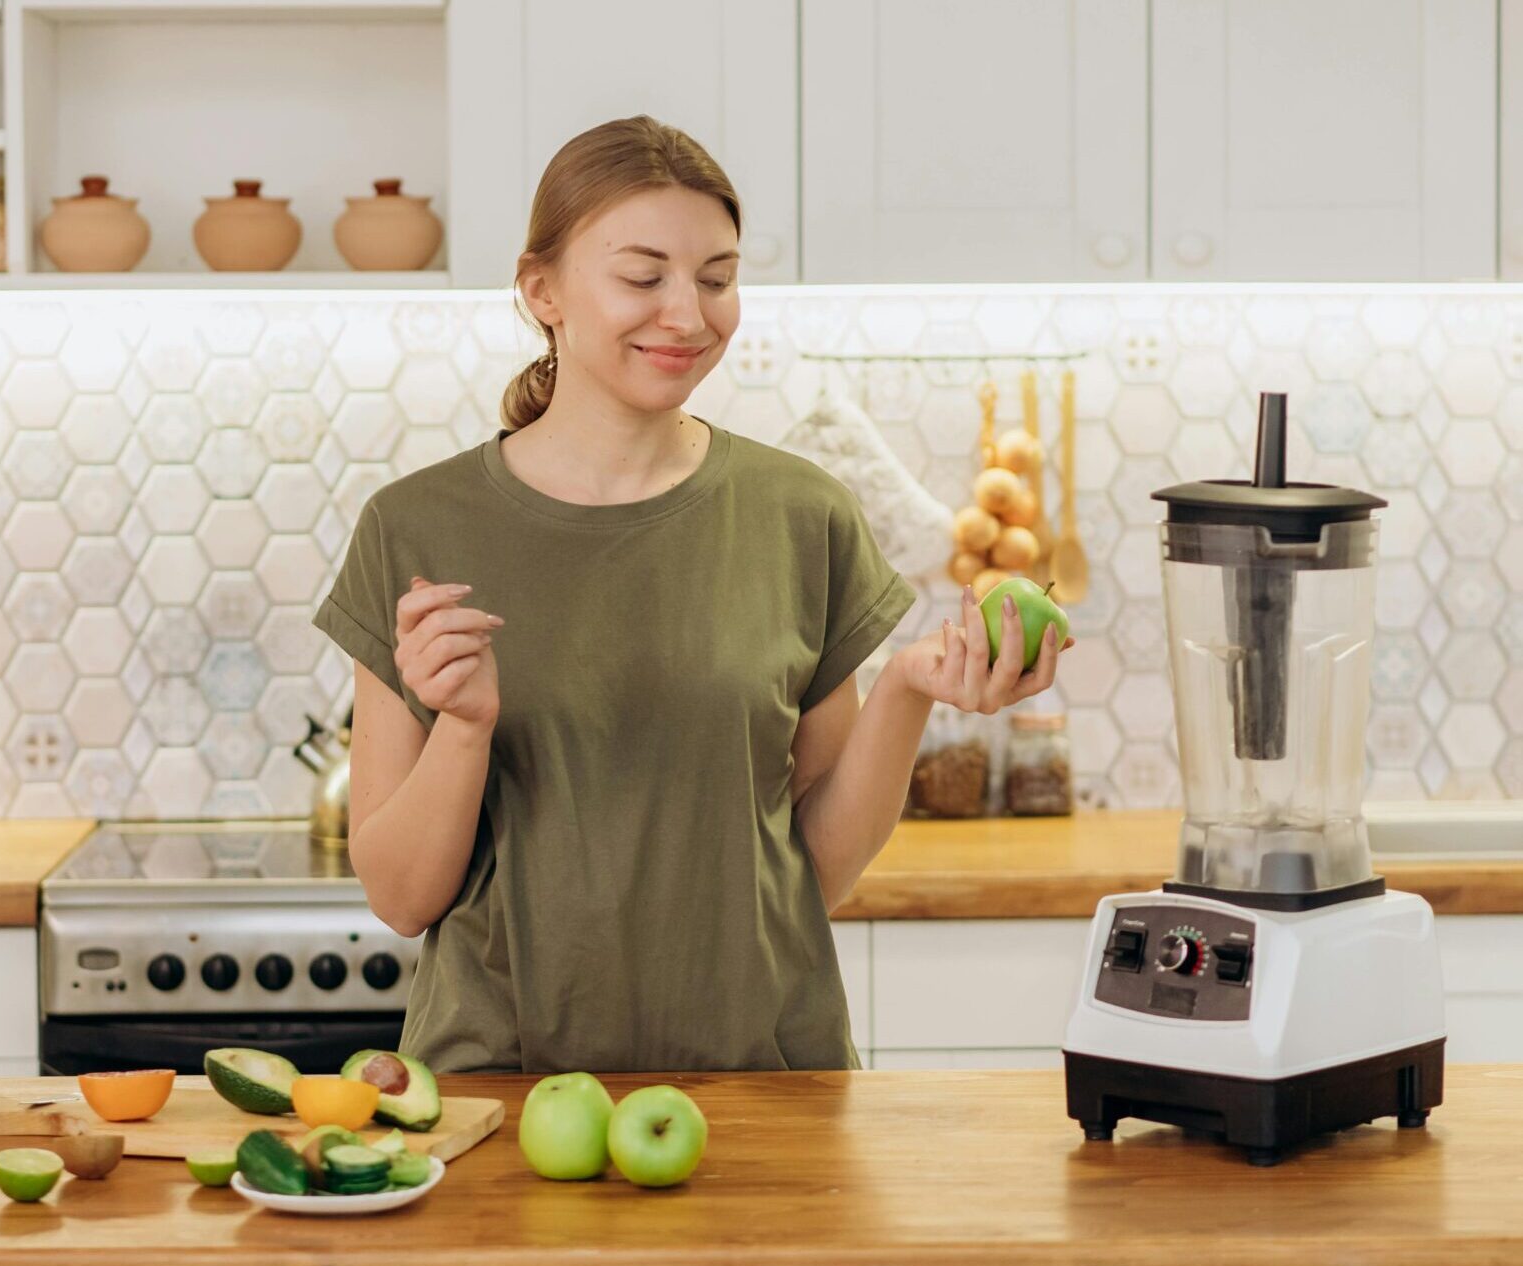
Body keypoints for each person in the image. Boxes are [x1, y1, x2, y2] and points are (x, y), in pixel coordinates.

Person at [313, 115, 1069, 1074]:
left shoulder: (801, 514)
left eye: (716, 278)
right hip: (502, 1096)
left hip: (763, 1085)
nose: (689, 314)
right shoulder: (415, 528)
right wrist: (463, 726)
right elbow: (403, 898)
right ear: (541, 289)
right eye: (643, 277)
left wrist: (910, 689)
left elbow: (812, 871)